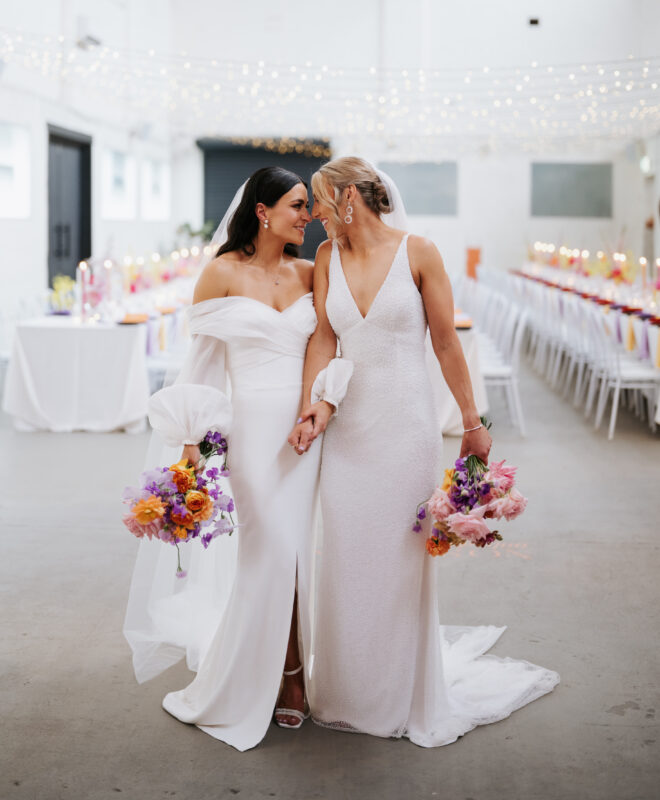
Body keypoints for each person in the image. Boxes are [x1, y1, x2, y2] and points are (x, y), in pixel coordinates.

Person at [288, 157, 559, 747]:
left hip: (403, 428)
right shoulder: (329, 260)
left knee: (396, 561)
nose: (312, 216)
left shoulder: (419, 252)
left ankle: (397, 694)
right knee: (344, 556)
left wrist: (471, 420)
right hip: (347, 431)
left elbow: (444, 342)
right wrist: (311, 405)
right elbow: (324, 339)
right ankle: (343, 692)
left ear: (350, 200)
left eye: (319, 202)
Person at [124, 166, 350, 751]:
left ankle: (292, 674)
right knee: (269, 549)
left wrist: (318, 407)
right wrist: (191, 447)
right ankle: (269, 677)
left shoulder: (311, 271)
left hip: (302, 432)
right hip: (249, 435)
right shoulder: (220, 273)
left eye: (308, 207)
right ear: (262, 211)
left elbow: (330, 345)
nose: (308, 216)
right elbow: (200, 364)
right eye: (299, 206)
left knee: (295, 552)